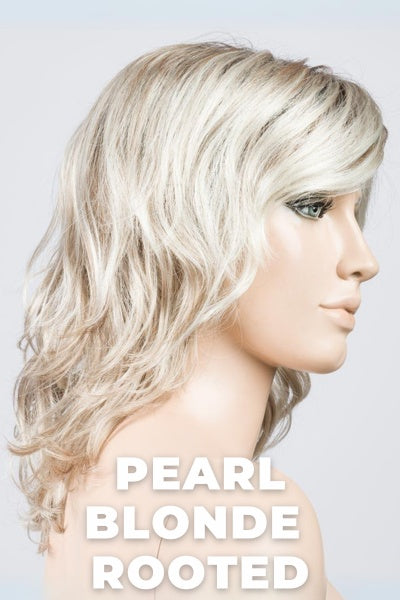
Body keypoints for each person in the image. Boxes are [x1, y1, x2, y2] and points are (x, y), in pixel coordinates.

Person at [8, 40, 387, 599]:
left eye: (355, 213)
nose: (363, 260)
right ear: (190, 217)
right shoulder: (248, 523)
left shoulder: (94, 480)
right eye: (311, 206)